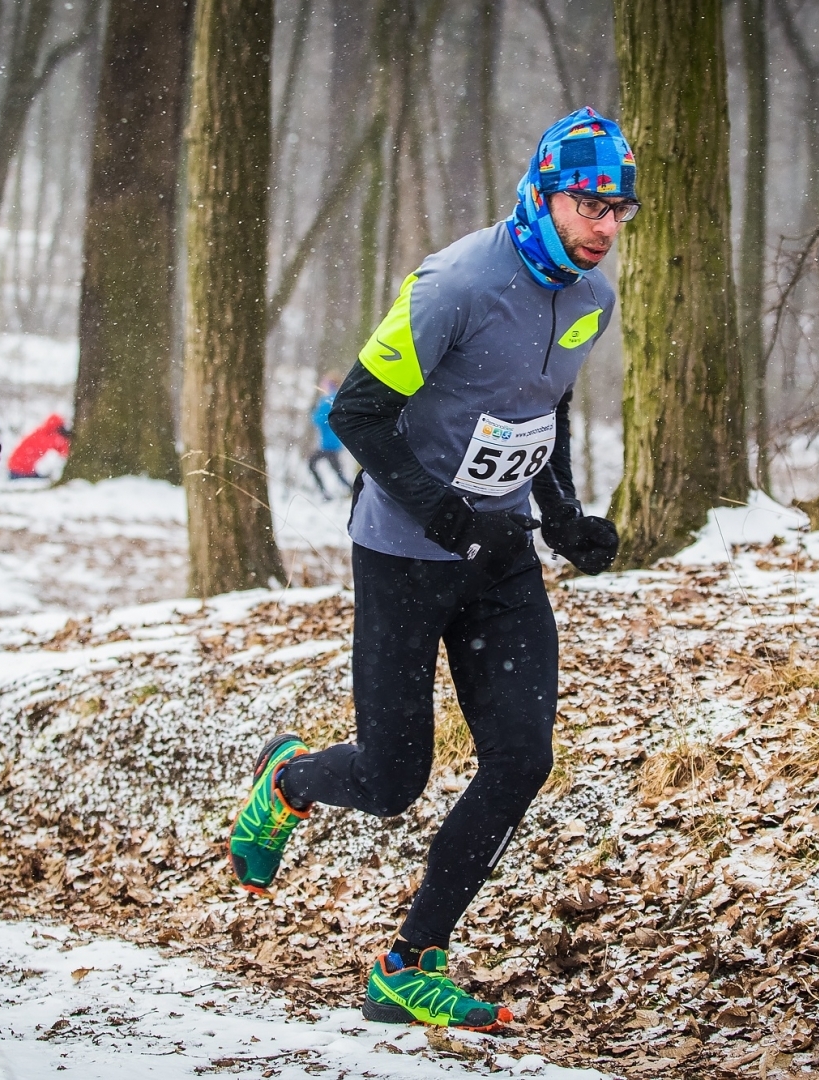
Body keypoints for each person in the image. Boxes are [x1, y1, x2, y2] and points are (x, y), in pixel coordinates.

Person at [228, 108, 629, 1030]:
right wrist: (445, 511)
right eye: (589, 205)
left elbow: (541, 410)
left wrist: (561, 519)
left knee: (521, 759)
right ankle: (288, 780)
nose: (604, 228)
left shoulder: (592, 299)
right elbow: (357, 414)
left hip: (501, 558)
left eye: (619, 211)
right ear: (542, 193)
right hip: (405, 554)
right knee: (391, 779)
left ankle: (408, 964)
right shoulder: (455, 284)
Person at [308, 375, 351, 498]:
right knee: (337, 471)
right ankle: (350, 490)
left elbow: (319, 420)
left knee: (311, 464)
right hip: (335, 441)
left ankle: (325, 493)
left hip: (327, 443)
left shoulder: (326, 400)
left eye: (325, 383)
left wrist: (312, 412)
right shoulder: (339, 398)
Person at [8, 412, 72, 479]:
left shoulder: (40, 432)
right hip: (21, 470)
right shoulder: (50, 438)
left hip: (17, 467)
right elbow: (64, 451)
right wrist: (67, 439)